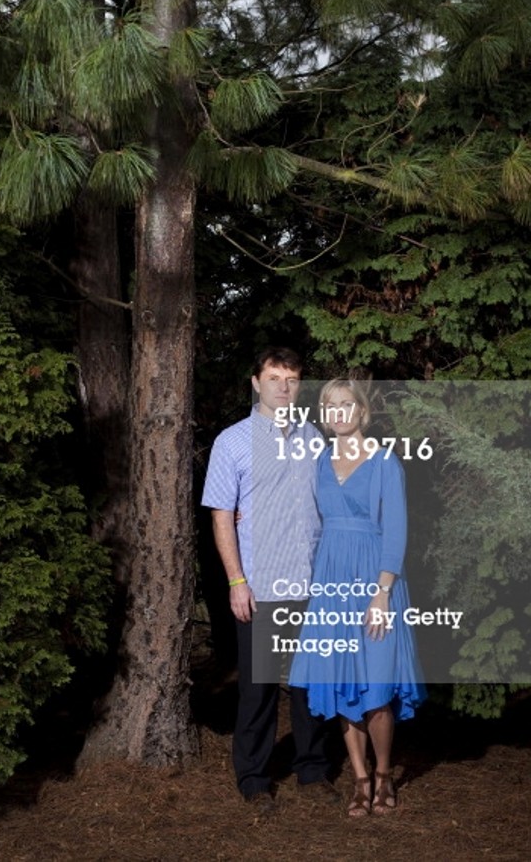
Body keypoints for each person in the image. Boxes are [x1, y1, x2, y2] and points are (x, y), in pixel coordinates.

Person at [201, 347, 336, 811]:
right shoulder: (232, 442)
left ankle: (313, 771)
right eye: (275, 377)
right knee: (257, 690)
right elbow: (221, 515)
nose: (283, 386)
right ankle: (254, 779)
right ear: (256, 383)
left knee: (309, 686)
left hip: (311, 583)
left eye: (292, 379)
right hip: (259, 587)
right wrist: (236, 582)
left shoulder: (313, 437)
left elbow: (326, 504)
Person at [289, 378, 426, 817]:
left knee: (378, 685)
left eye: (346, 404)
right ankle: (361, 779)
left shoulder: (385, 462)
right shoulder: (320, 462)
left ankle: (384, 774)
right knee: (341, 683)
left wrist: (382, 593)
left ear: (361, 410)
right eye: (330, 406)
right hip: (331, 584)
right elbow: (310, 523)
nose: (338, 412)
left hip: (374, 584)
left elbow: (397, 531)